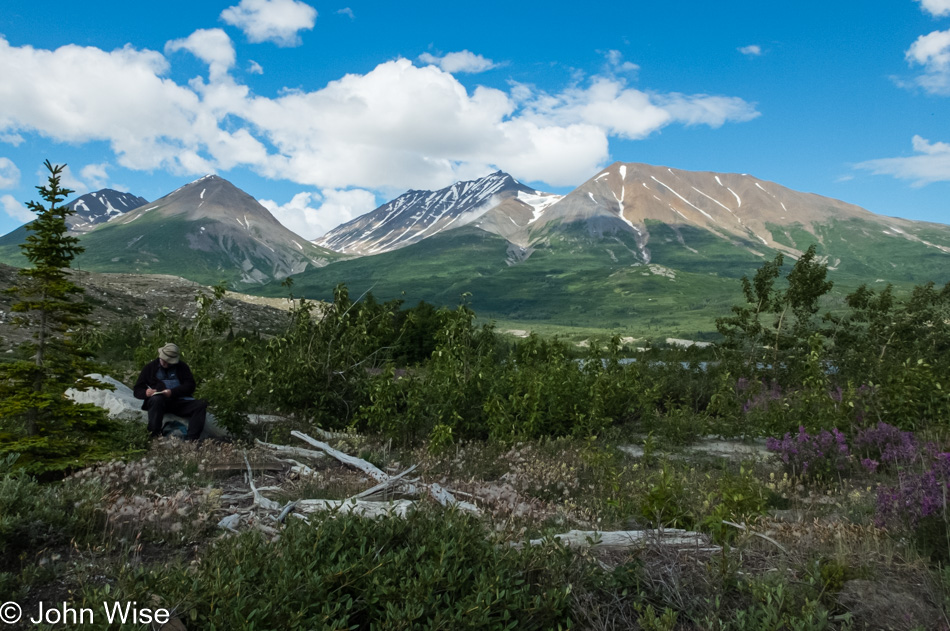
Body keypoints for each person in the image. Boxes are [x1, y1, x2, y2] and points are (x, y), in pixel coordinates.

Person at [133, 342, 207, 441]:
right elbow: (137, 389)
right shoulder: (150, 368)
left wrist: (172, 392)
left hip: (179, 402)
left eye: (169, 362)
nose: (166, 364)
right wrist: (146, 392)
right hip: (158, 403)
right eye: (164, 361)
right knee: (156, 400)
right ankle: (153, 436)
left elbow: (190, 385)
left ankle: (192, 440)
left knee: (201, 405)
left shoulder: (182, 367)